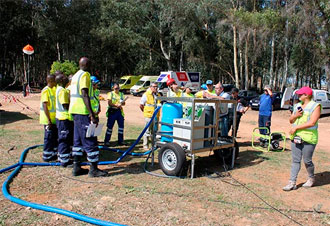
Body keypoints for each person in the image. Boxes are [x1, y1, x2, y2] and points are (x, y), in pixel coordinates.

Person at [69, 57, 107, 177]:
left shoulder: (75, 76)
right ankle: (93, 169)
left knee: (78, 140)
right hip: (83, 111)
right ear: (87, 65)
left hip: (75, 111)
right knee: (90, 138)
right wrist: (92, 114)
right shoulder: (85, 75)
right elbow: (84, 93)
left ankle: (76, 167)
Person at [283, 86, 321, 191]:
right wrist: (295, 116)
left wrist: (296, 128)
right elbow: (290, 120)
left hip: (309, 138)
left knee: (307, 161)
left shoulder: (315, 106)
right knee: (295, 160)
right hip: (296, 137)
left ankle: (311, 178)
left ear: (307, 95)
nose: (298, 96)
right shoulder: (297, 106)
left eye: (300, 94)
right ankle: (292, 182)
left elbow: (312, 122)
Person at [55, 73, 73, 167]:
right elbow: (65, 105)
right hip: (63, 118)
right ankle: (64, 161)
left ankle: (61, 156)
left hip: (61, 117)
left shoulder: (60, 89)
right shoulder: (62, 91)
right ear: (61, 80)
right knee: (64, 138)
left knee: (63, 138)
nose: (66, 78)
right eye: (64, 77)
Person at [40, 74, 58, 162]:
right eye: (54, 81)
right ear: (50, 81)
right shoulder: (45, 90)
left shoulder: (53, 89)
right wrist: (49, 120)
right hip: (48, 119)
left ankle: (53, 153)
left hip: (54, 119)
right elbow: (45, 105)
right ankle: (46, 155)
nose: (56, 82)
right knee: (48, 137)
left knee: (54, 137)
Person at [140, 82, 160, 150]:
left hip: (156, 116)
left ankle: (154, 144)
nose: (156, 88)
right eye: (154, 87)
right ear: (150, 87)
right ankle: (145, 145)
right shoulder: (146, 94)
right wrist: (145, 112)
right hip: (148, 116)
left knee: (155, 131)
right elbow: (141, 105)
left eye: (156, 87)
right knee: (147, 131)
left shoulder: (157, 95)